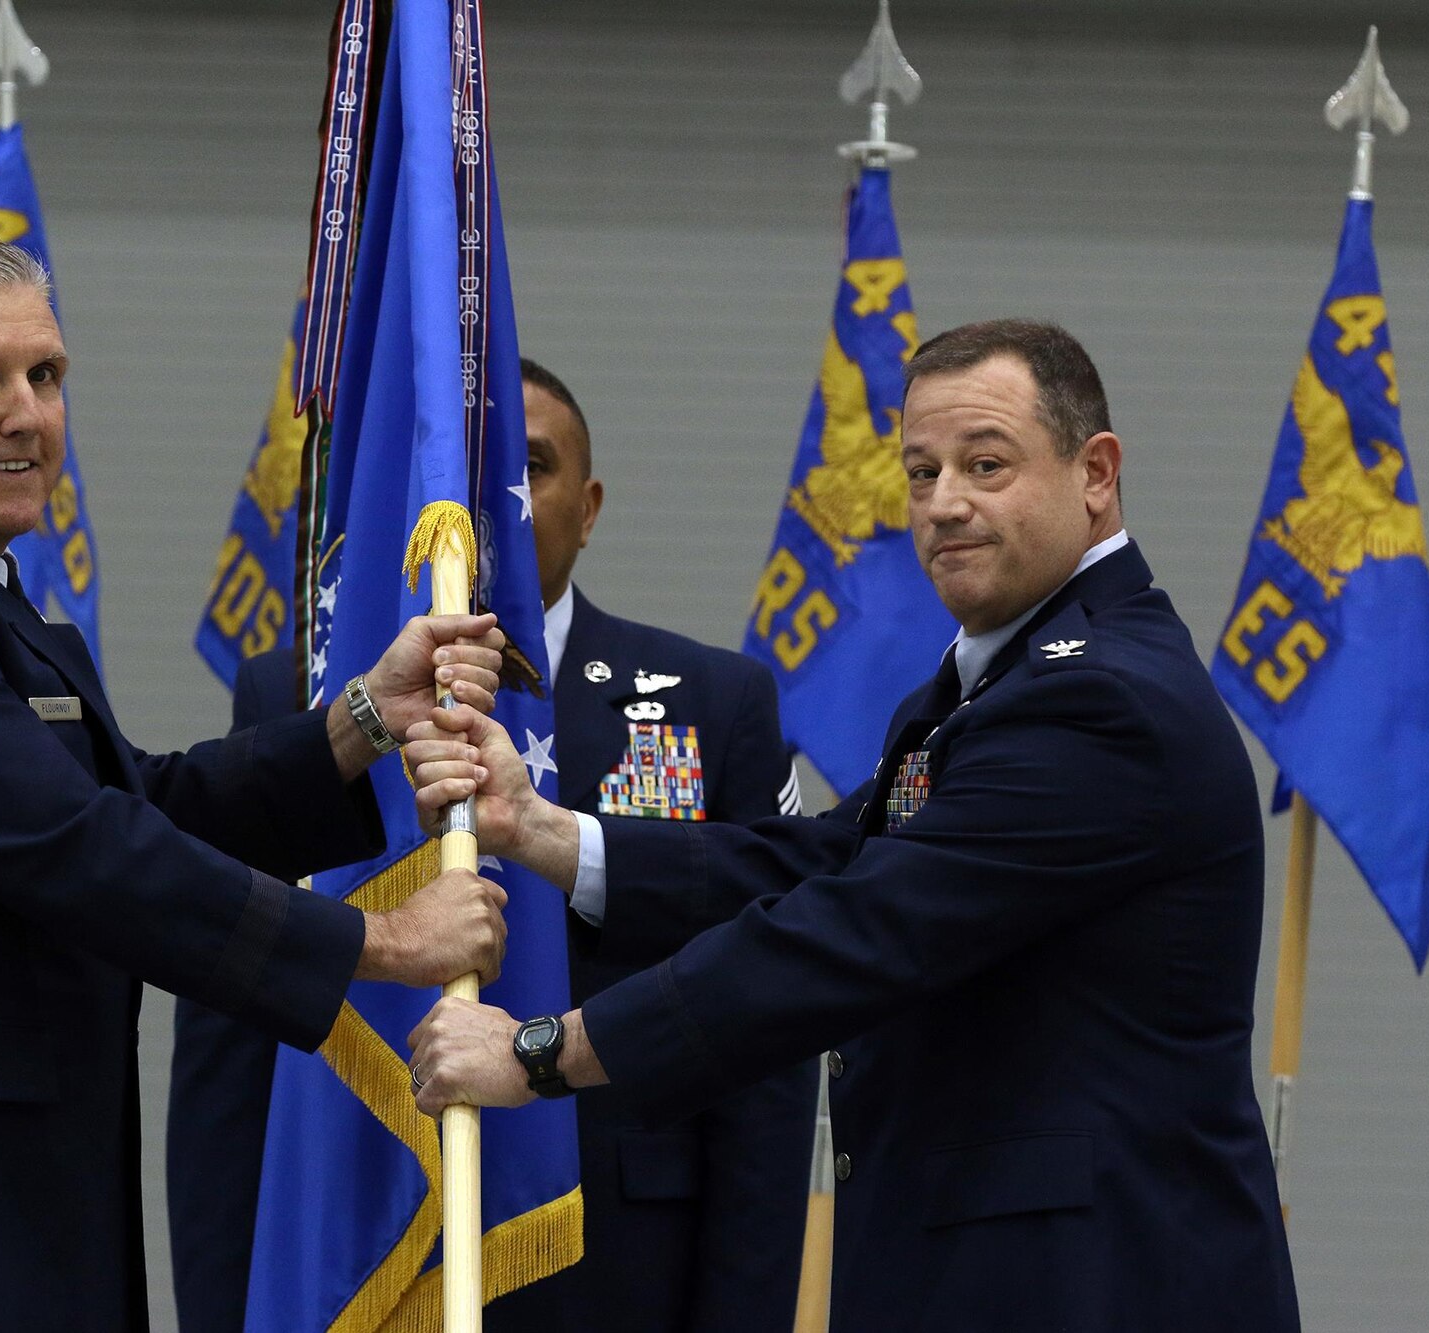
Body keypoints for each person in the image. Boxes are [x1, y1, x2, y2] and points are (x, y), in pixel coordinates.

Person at [406, 321, 1303, 1331]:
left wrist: (540, 1053)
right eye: (920, 473)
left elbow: (854, 931)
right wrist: (544, 833)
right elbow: (826, 860)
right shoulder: (991, 683)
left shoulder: (1102, 702)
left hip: (1093, 1286)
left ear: (1094, 473)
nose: (943, 504)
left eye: (985, 464)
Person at [0, 235, 510, 1333]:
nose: (26, 413)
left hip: (4, 1213)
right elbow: (79, 852)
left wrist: (363, 718)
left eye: (47, 375)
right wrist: (381, 946)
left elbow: (137, 807)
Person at [165, 359, 814, 1331]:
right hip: (351, 1243)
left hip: (626, 1263)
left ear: (587, 505)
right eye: (453, 483)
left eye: (528, 468)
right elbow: (227, 1020)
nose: (480, 511)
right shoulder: (307, 698)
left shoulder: (710, 700)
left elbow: (762, 1031)